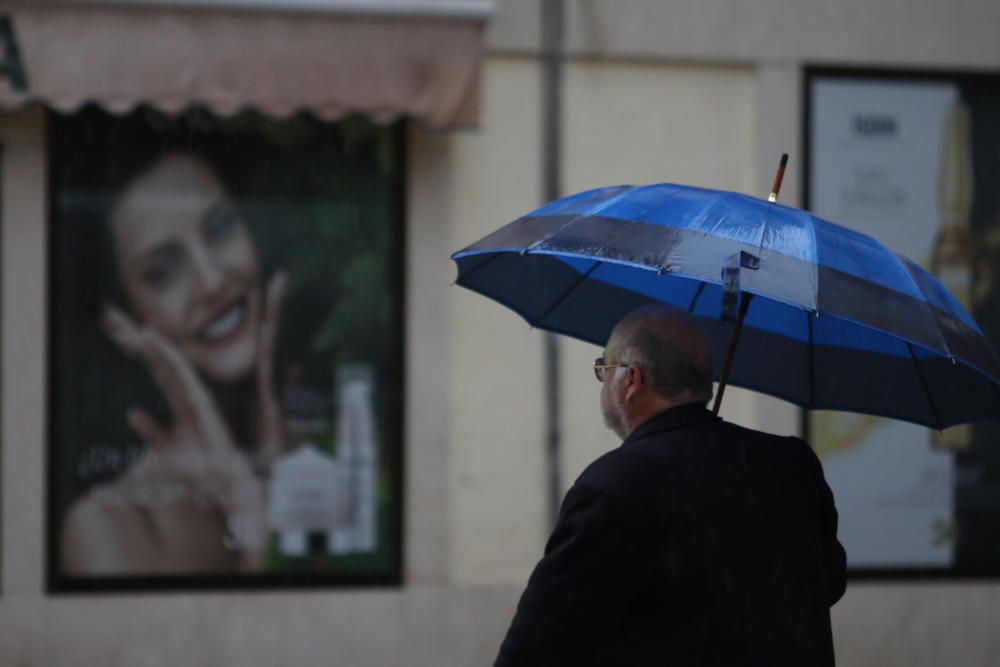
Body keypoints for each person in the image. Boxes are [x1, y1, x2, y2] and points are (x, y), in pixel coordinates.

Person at [494, 305, 847, 666]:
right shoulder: (792, 464)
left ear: (631, 380)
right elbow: (829, 584)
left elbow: (541, 641)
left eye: (605, 369)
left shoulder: (613, 484)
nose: (604, 383)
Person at [59, 152, 288, 574]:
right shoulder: (107, 529)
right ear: (121, 323)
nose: (212, 281)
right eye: (164, 271)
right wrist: (245, 508)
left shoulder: (321, 443)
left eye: (219, 229)